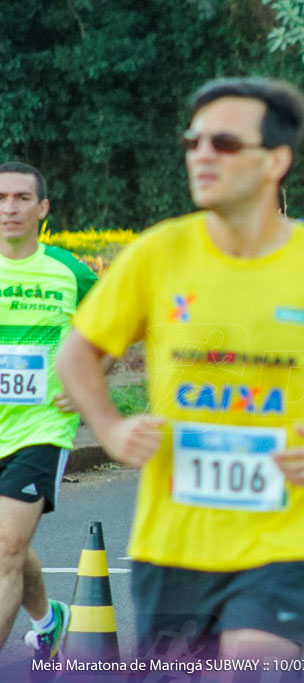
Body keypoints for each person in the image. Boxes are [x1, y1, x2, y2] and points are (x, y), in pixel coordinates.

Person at [55, 77, 304, 663]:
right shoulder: (157, 253)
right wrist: (112, 428)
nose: (200, 154)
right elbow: (77, 353)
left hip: (287, 538)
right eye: (193, 141)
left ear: (276, 160)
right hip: (172, 542)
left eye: (222, 142)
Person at [0, 163, 99, 661]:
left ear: (43, 209)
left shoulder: (70, 272)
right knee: (7, 549)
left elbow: (113, 328)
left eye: (21, 198)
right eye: (0, 198)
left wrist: (87, 383)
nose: (8, 208)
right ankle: (47, 620)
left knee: (5, 550)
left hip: (42, 425)